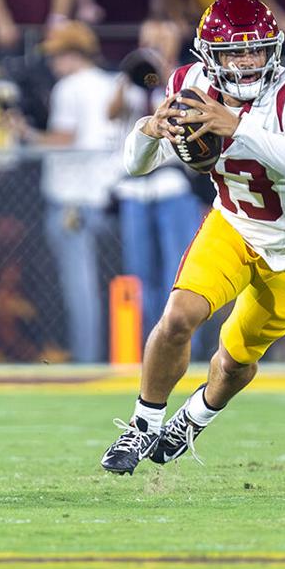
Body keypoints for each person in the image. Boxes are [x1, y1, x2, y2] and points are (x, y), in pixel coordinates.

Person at [101, 0, 285, 474]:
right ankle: (142, 425)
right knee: (177, 317)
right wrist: (149, 130)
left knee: (235, 362)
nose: (248, 60)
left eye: (256, 49)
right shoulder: (189, 84)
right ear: (209, 55)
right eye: (235, 51)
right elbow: (134, 165)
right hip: (233, 225)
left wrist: (237, 127)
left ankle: (191, 420)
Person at [5, 22, 124, 363]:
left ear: (73, 55)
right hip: (108, 195)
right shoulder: (113, 83)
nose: (53, 64)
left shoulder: (70, 87)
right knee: (104, 283)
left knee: (79, 287)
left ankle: (86, 360)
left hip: (72, 199)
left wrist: (24, 132)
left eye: (57, 56)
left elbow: (63, 139)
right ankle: (116, 354)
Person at [109, 20, 203, 342]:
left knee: (180, 274)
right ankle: (147, 343)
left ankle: (184, 342)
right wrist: (133, 70)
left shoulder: (186, 77)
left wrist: (163, 69)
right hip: (136, 188)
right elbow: (111, 112)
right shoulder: (131, 78)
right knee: (139, 273)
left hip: (173, 184)